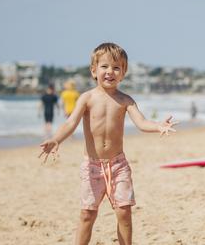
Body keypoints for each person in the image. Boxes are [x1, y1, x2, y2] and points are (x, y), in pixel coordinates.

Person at [38, 42, 177, 245]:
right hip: (92, 166)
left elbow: (141, 122)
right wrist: (56, 139)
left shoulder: (125, 100)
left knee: (124, 213)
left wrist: (158, 126)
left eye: (116, 67)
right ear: (94, 70)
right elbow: (70, 122)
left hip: (118, 165)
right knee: (87, 214)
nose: (110, 72)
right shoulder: (87, 98)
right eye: (104, 66)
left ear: (123, 73)